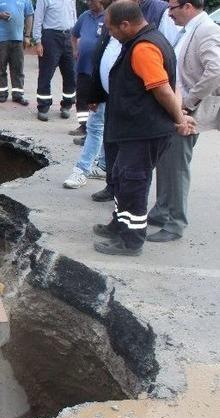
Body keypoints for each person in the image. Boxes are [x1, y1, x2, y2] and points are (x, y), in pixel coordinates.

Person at [91, 1, 195, 256]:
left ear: (126, 25)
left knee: (133, 182)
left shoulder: (144, 48)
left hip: (143, 131)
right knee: (121, 178)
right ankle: (120, 224)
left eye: (111, 28)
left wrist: (179, 119)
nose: (110, 33)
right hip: (131, 129)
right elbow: (172, 84)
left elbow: (162, 89)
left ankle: (132, 240)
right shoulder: (143, 41)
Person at [146, 0, 220, 242]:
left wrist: (188, 102)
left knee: (176, 167)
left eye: (172, 8)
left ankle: (175, 223)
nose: (168, 13)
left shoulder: (206, 29)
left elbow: (216, 70)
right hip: (175, 109)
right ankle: (161, 211)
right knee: (166, 162)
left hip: (186, 112)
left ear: (188, 6)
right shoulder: (189, 29)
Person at [32, 0, 77, 121]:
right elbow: (38, 19)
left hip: (68, 36)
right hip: (51, 37)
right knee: (46, 74)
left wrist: (76, 38)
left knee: (70, 73)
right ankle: (43, 106)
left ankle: (67, 104)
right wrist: (38, 41)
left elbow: (74, 16)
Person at [70, 0, 107, 140]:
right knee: (82, 96)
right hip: (83, 65)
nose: (88, 3)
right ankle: (83, 125)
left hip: (98, 68)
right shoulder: (84, 16)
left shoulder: (108, 16)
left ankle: (95, 128)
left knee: (96, 98)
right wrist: (75, 50)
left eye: (92, 0)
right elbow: (74, 35)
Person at [0, 0, 34, 105]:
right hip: (1, 39)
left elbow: (29, 16)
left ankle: (18, 95)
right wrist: (0, 15)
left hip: (18, 39)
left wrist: (27, 36)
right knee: (1, 68)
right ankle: (2, 94)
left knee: (18, 68)